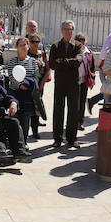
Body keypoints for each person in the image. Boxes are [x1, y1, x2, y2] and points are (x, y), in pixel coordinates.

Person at [48, 20, 84, 149]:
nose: (68, 31)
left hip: (74, 83)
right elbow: (52, 64)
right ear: (61, 30)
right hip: (60, 83)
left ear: (73, 31)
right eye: (65, 29)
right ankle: (57, 138)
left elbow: (78, 61)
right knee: (58, 110)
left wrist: (62, 61)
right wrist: (69, 63)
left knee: (73, 111)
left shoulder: (78, 45)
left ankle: (72, 139)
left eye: (70, 29)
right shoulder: (55, 46)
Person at [6, 36, 43, 141]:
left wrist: (28, 86)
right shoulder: (13, 61)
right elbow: (11, 77)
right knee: (15, 119)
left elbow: (36, 76)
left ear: (28, 46)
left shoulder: (33, 61)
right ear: (17, 47)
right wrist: (19, 85)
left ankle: (24, 143)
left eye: (25, 45)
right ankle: (14, 143)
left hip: (28, 95)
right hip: (15, 94)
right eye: (20, 45)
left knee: (26, 120)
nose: (23, 47)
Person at [86, 21, 111, 112]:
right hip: (108, 69)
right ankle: (97, 104)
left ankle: (94, 102)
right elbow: (105, 54)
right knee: (110, 89)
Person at [76, 33, 95, 130]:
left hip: (84, 80)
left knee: (82, 101)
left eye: (83, 40)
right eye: (79, 40)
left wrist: (92, 79)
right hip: (74, 80)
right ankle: (73, 121)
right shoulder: (73, 51)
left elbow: (92, 67)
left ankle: (80, 122)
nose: (81, 42)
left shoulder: (89, 52)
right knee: (74, 102)